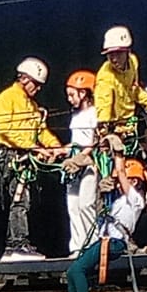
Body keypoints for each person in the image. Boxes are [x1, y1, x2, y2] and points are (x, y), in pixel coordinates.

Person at [56, 157, 147, 292]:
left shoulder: (136, 199)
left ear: (134, 181)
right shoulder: (117, 201)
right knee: (71, 272)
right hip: (104, 240)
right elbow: (100, 217)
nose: (117, 182)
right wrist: (101, 193)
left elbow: (121, 172)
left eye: (121, 180)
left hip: (115, 243)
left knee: (77, 270)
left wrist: (118, 156)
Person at [0, 57, 66, 261]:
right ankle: (16, 244)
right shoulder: (6, 98)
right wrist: (35, 148)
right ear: (24, 79)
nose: (39, 89)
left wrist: (56, 147)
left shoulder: (32, 105)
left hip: (25, 155)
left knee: (25, 199)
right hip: (13, 156)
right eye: (36, 83)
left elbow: (41, 131)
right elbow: (7, 131)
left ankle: (17, 243)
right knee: (19, 199)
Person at [93, 26, 147, 155]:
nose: (114, 59)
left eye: (118, 53)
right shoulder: (105, 78)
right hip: (113, 129)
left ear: (128, 51)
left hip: (131, 126)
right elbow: (103, 105)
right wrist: (104, 131)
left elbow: (135, 90)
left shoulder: (133, 62)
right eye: (110, 54)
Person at [60, 69, 98, 257]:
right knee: (72, 205)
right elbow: (75, 142)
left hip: (88, 164)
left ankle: (92, 244)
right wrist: (60, 151)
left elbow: (94, 141)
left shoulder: (94, 113)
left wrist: (80, 158)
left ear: (83, 93)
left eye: (72, 95)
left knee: (86, 204)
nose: (70, 99)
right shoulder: (75, 116)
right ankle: (77, 246)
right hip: (74, 163)